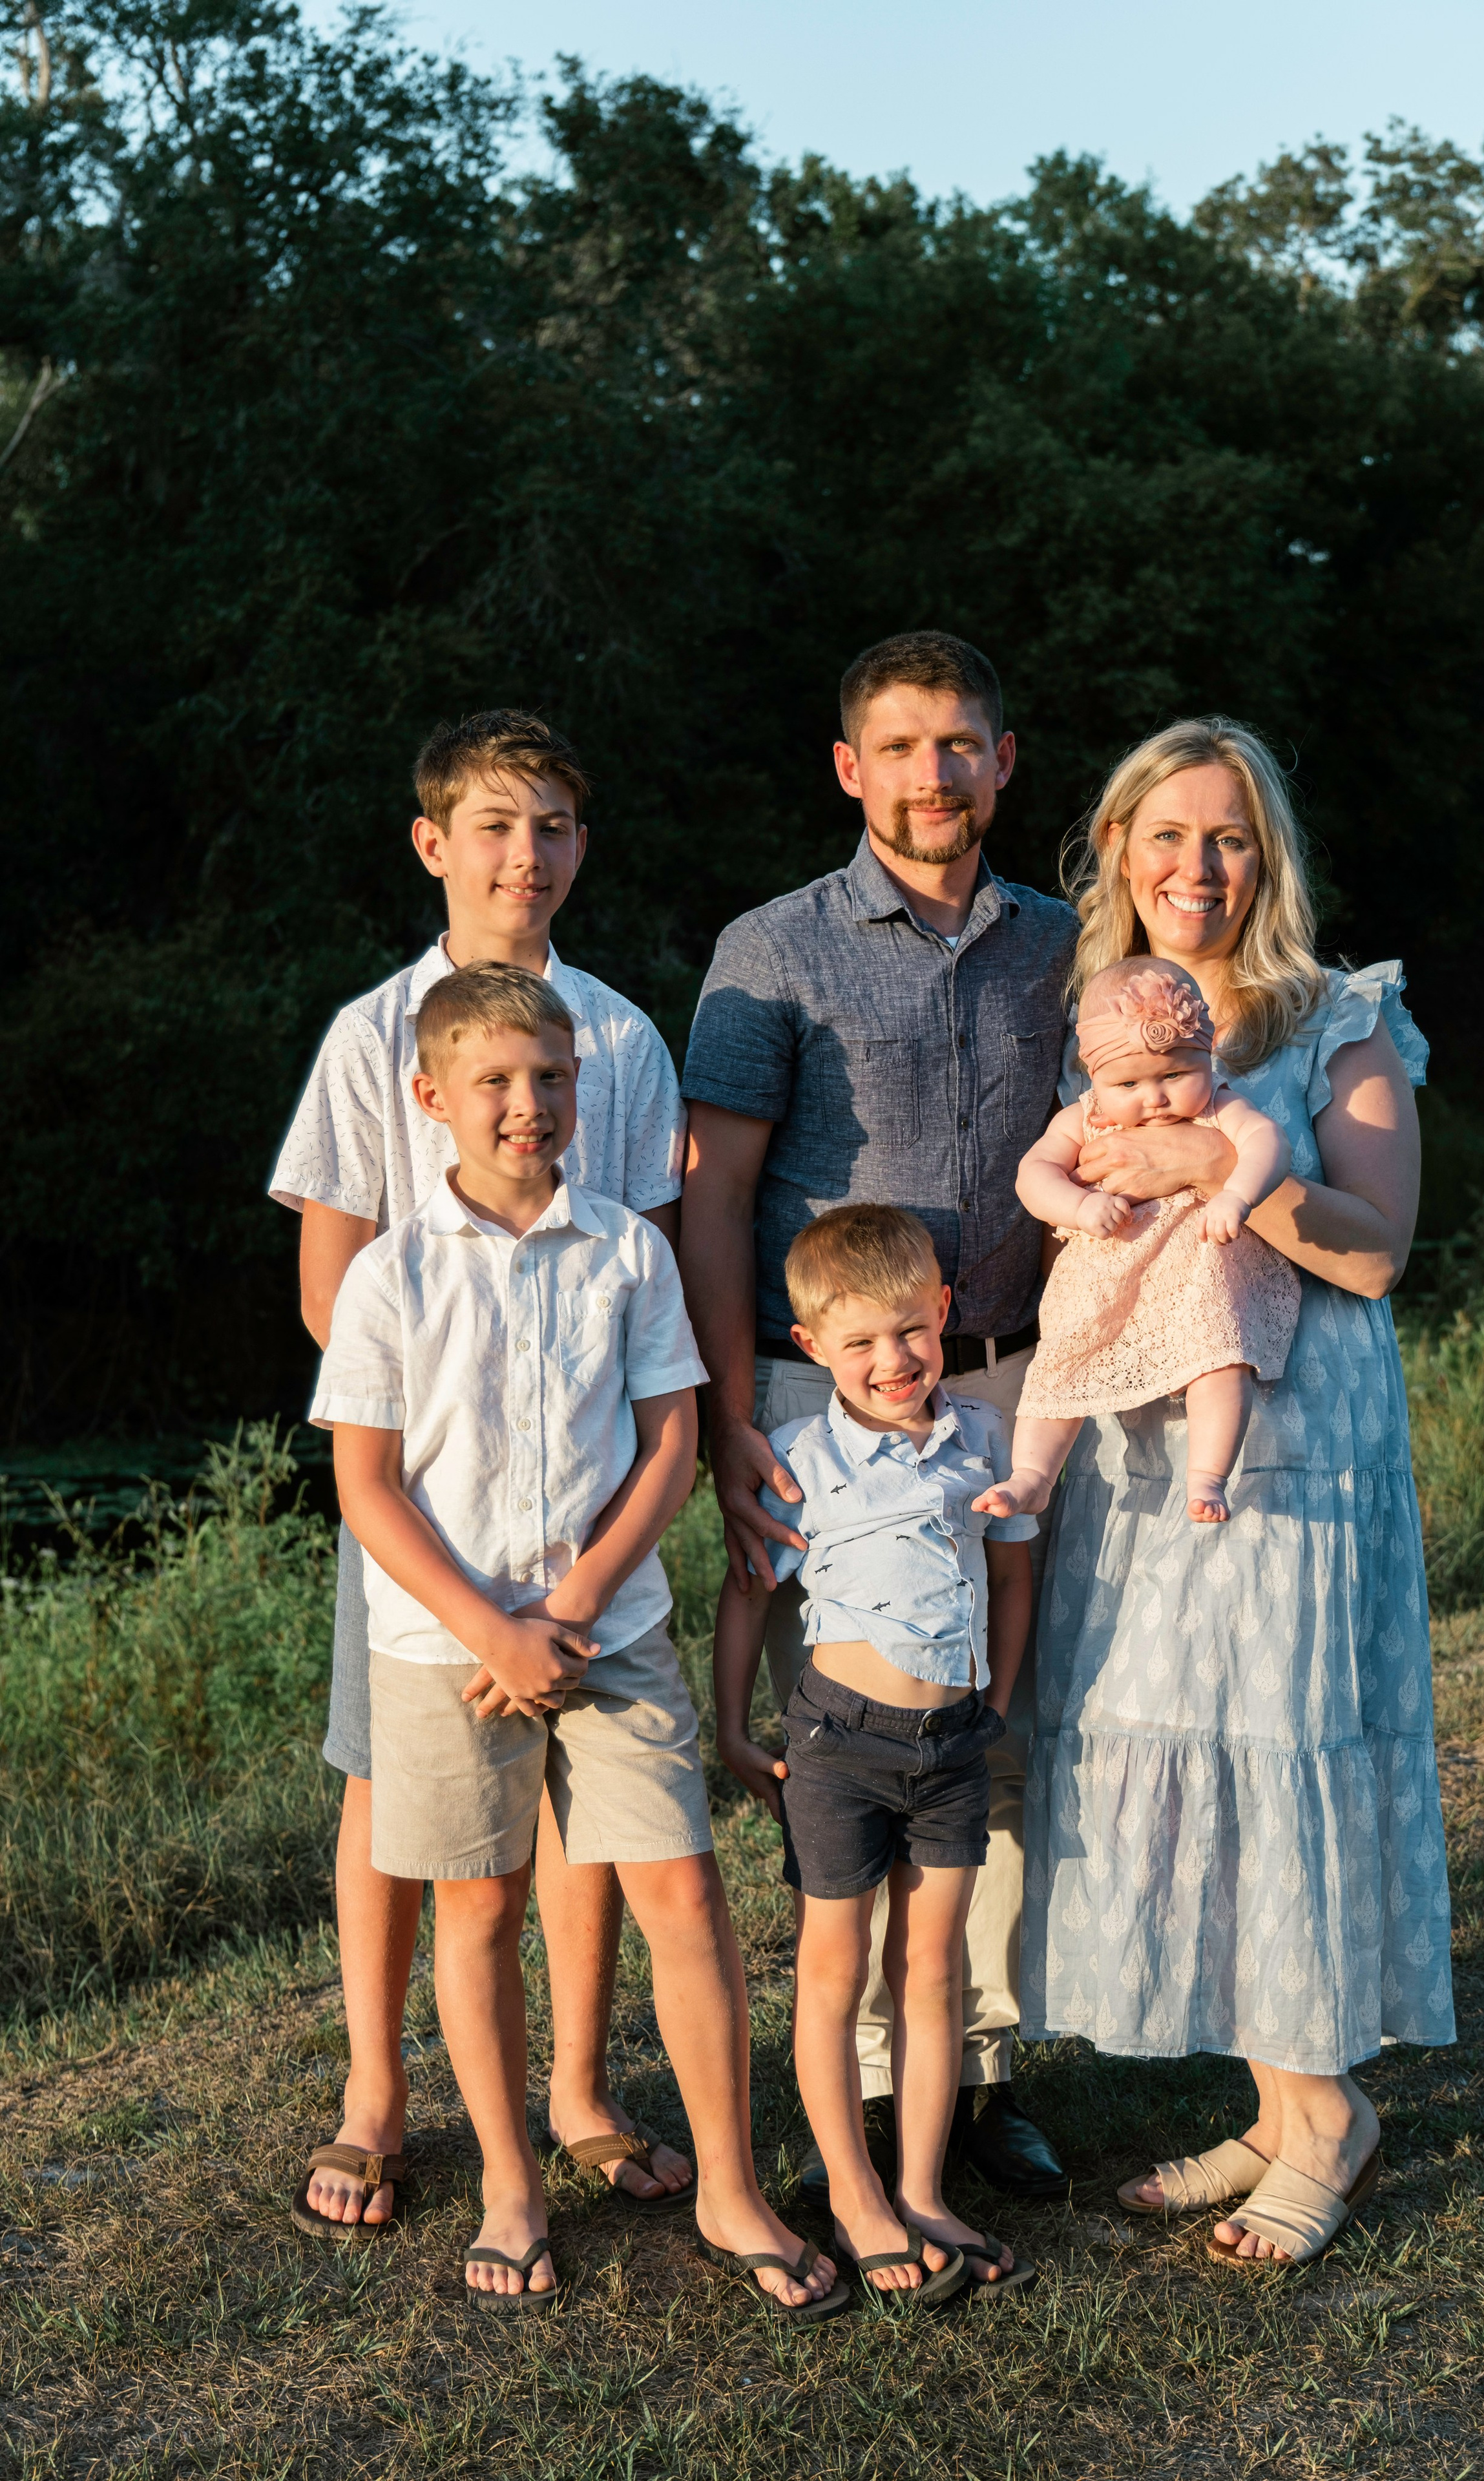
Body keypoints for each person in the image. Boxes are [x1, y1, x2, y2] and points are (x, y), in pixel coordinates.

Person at [311, 961, 844, 2314]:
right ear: (430, 1097)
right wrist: (495, 1625)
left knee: (679, 1888)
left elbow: (669, 1443)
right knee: (478, 1907)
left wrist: (572, 1607)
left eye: (548, 1079)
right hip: (446, 1651)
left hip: (612, 1633)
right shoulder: (388, 1276)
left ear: (579, 1087)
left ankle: (730, 2185)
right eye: (493, 1081)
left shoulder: (625, 1249)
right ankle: (510, 2180)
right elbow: (367, 1485)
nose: (525, 1104)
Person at [1021, 716, 1455, 2271]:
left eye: (1227, 836)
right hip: (1140, 1452)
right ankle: (1272, 2103)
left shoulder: (1335, 1013)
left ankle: (1328, 2113)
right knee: (1184, 1750)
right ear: (1116, 850)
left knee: (1278, 1752)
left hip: (1294, 1440)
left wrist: (1220, 1164)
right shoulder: (1096, 1016)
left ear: (1263, 854)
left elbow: (1374, 1246)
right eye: (1165, 833)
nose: (1194, 867)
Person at [272, 710, 694, 2237]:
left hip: (584, 1503)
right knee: (398, 1791)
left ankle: (578, 2089)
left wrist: (588, 1505)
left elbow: (639, 1258)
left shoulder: (625, 1039)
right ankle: (377, 2097)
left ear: (582, 848)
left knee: (578, 1801)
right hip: (419, 1500)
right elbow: (332, 1284)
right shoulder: (371, 1034)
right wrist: (428, 1432)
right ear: (433, 841)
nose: (528, 855)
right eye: (497, 825)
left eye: (556, 828)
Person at [678, 631, 1074, 2199]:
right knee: (842, 1733)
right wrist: (728, 1420)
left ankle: (972, 2082)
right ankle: (846, 2092)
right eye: (900, 746)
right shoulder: (771, 948)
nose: (933, 773)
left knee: (985, 1728)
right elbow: (710, 1208)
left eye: (960, 742)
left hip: (1007, 1375)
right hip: (816, 1389)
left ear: (1000, 758)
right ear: (849, 768)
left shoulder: (1059, 939)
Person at [714, 1205, 1039, 2301]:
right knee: (834, 1968)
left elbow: (1012, 1573)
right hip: (840, 1745)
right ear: (811, 1348)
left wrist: (995, 1689)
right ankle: (853, 2194)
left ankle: (926, 2188)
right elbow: (747, 1593)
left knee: (934, 1970)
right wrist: (731, 1728)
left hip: (952, 1743)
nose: (892, 1360)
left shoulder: (987, 1443)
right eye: (860, 1343)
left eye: (910, 1330)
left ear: (942, 1311)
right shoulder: (801, 1463)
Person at [988, 956, 1298, 1526]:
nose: (1154, 1097)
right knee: (1060, 1363)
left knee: (1223, 1360)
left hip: (1200, 1280)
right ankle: (1032, 1476)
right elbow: (1032, 1177)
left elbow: (1268, 1143)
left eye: (1174, 1076)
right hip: (1104, 1282)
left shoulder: (1219, 1107)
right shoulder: (1084, 1120)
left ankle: (1208, 1477)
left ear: (1205, 1056)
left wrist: (1237, 1196)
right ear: (1093, 1077)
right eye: (1128, 1084)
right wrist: (1079, 1205)